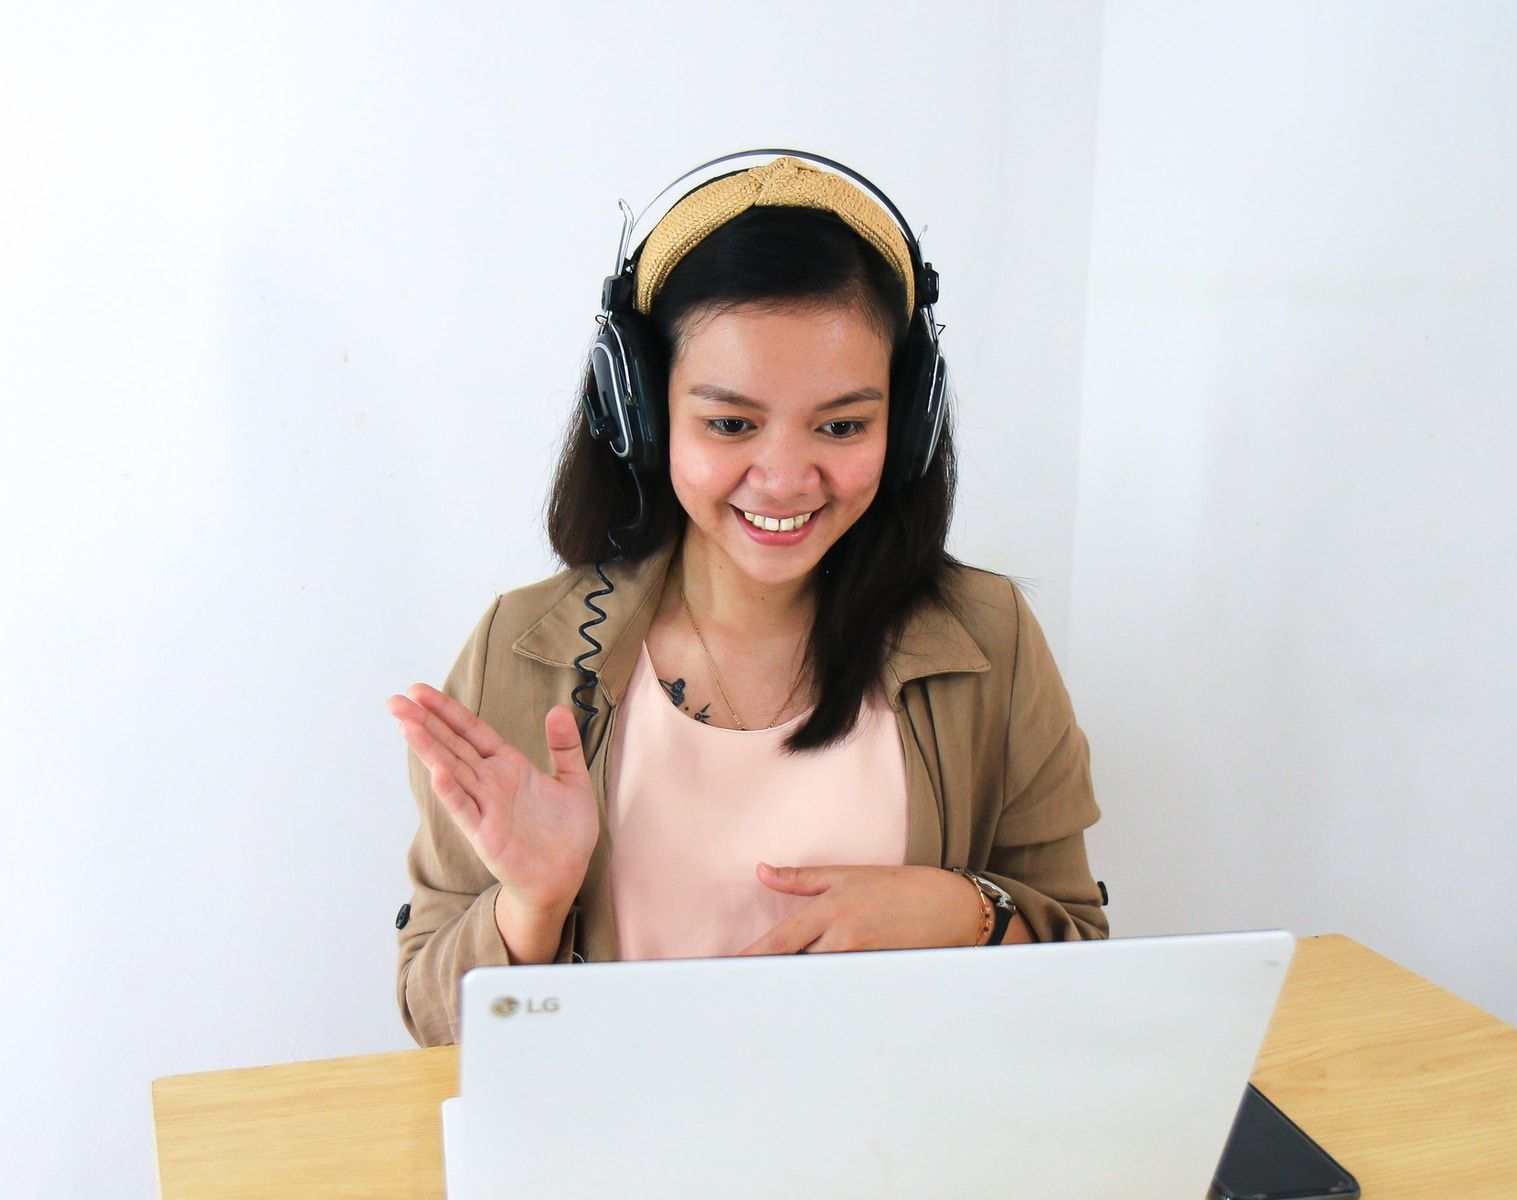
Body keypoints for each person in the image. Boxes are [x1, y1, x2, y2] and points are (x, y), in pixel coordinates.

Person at [387, 153, 1108, 1048]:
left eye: (842, 425)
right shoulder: (523, 649)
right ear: (643, 412)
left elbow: (1086, 962)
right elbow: (431, 1022)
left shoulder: (990, 643)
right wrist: (529, 908)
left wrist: (960, 910)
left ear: (908, 419)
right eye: (730, 423)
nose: (783, 478)